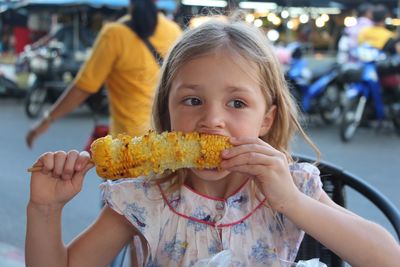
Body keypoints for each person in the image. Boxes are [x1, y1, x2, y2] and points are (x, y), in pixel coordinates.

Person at [25, 20, 400, 266]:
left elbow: (387, 257)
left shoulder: (293, 186)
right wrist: (44, 211)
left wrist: (292, 201)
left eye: (237, 103)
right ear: (167, 112)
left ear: (265, 120)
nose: (212, 119)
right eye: (192, 101)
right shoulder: (144, 198)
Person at [25, 0, 182, 148]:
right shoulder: (173, 31)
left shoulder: (114, 34)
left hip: (127, 146)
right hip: (163, 142)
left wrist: (46, 121)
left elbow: (83, 87)